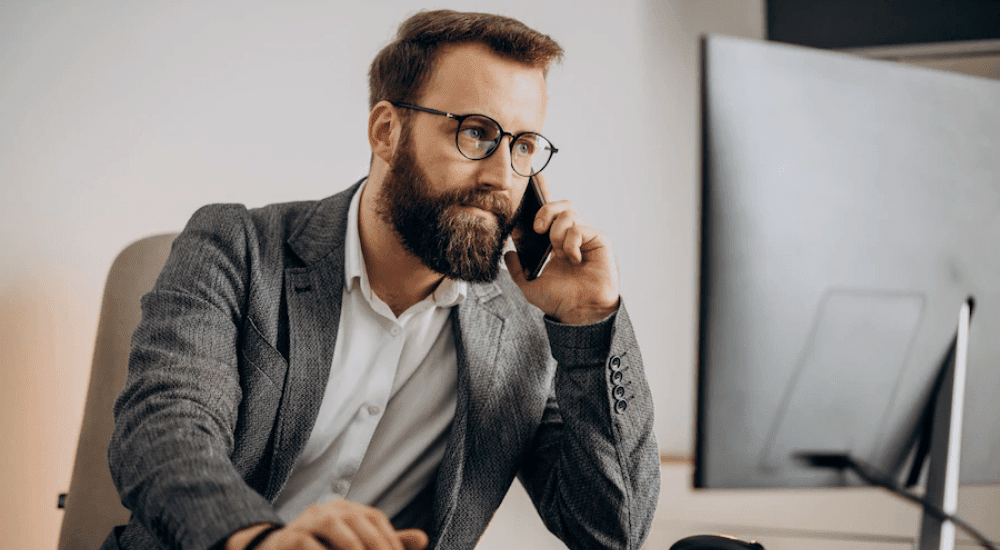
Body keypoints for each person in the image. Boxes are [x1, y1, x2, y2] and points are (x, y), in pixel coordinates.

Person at [103, 9, 659, 550]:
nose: (501, 176)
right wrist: (259, 541)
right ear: (388, 131)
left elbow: (611, 531)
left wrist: (590, 323)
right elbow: (165, 427)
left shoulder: (527, 324)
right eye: (476, 134)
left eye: (523, 147)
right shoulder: (238, 246)